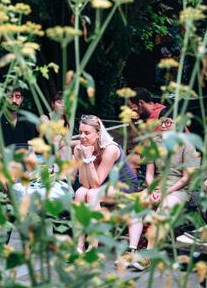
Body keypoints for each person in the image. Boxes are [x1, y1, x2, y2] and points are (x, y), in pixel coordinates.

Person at [118, 117, 200, 271]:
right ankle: (132, 249)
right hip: (157, 186)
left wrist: (165, 192)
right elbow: (149, 174)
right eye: (162, 121)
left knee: (165, 208)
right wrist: (151, 189)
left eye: (169, 121)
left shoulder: (187, 144)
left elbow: (186, 178)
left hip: (178, 189)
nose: (164, 124)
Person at [73, 114, 139, 252]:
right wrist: (85, 156)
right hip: (103, 186)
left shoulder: (110, 149)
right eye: (80, 132)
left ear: (98, 134)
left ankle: (93, 246)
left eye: (87, 133)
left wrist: (88, 159)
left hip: (123, 186)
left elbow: (95, 185)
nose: (82, 136)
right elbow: (84, 183)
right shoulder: (79, 149)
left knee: (92, 194)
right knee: (80, 192)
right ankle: (78, 247)